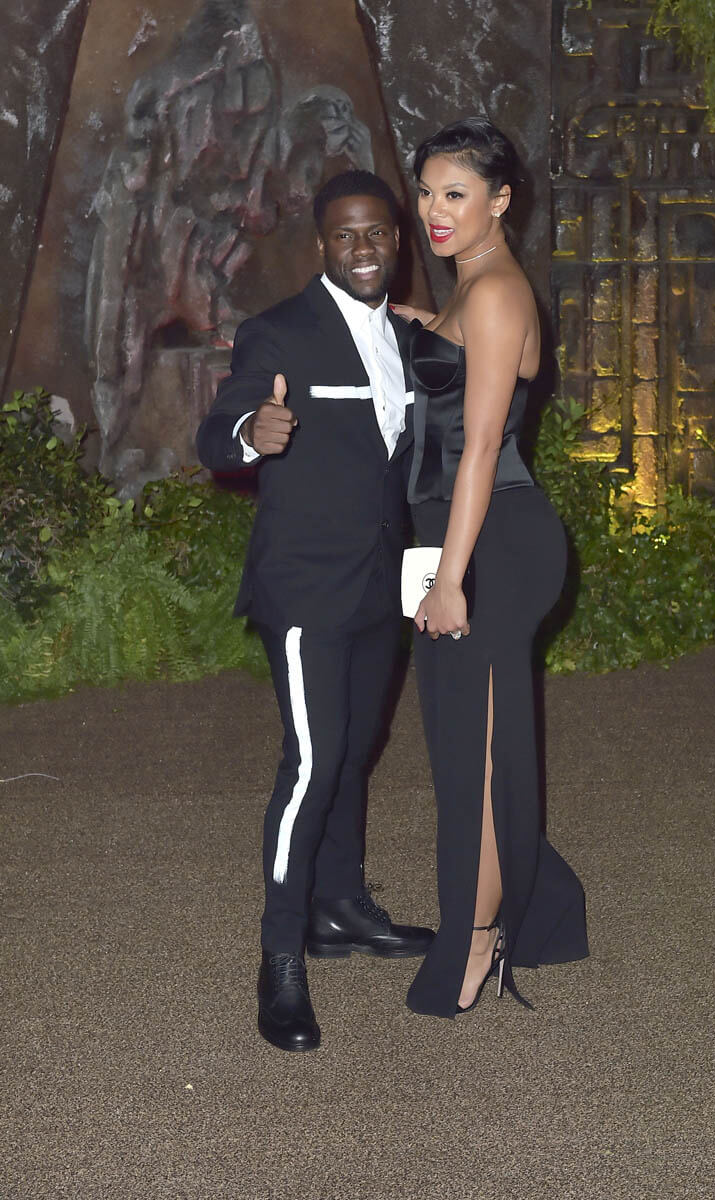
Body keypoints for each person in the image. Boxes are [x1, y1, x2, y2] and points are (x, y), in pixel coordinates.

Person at [196, 170, 433, 1053]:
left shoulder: (409, 335)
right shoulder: (281, 332)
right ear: (321, 245)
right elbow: (219, 429)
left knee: (355, 750)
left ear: (396, 240)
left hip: (380, 584)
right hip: (304, 588)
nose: (362, 247)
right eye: (344, 234)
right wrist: (249, 435)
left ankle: (340, 909)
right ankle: (281, 955)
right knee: (312, 764)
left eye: (376, 232)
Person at [393, 118, 589, 1018]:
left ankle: (477, 939)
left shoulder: (500, 292)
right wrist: (417, 325)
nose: (434, 210)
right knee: (463, 742)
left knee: (474, 752)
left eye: (456, 194)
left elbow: (477, 448)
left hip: (494, 541)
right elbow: (452, 363)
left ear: (501, 200)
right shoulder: (470, 287)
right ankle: (541, 908)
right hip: (464, 537)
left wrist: (449, 579)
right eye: (427, 191)